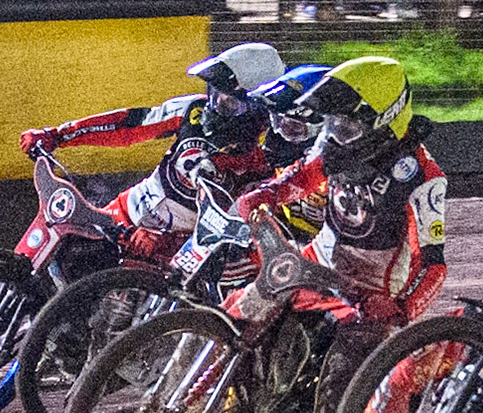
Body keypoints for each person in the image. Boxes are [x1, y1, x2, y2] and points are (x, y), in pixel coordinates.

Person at [231, 56, 448, 413]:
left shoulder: (423, 177)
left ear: (384, 118)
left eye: (347, 125)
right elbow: (298, 180)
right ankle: (205, 406)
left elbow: (433, 266)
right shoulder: (333, 147)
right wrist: (265, 195)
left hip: (368, 291)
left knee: (341, 375)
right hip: (314, 264)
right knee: (238, 310)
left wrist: (401, 308)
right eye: (332, 123)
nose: (336, 132)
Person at [18, 42, 286, 262]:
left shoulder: (263, 159)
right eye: (214, 93)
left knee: (108, 308)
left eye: (228, 103)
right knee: (59, 258)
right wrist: (57, 135)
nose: (214, 106)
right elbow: (128, 126)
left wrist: (163, 237)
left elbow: (228, 224)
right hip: (120, 215)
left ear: (258, 109)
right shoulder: (193, 109)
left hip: (167, 250)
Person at [248, 64, 333, 238]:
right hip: (293, 240)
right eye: (277, 122)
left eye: (292, 128)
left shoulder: (336, 170)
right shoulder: (274, 151)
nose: (279, 135)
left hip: (332, 248)